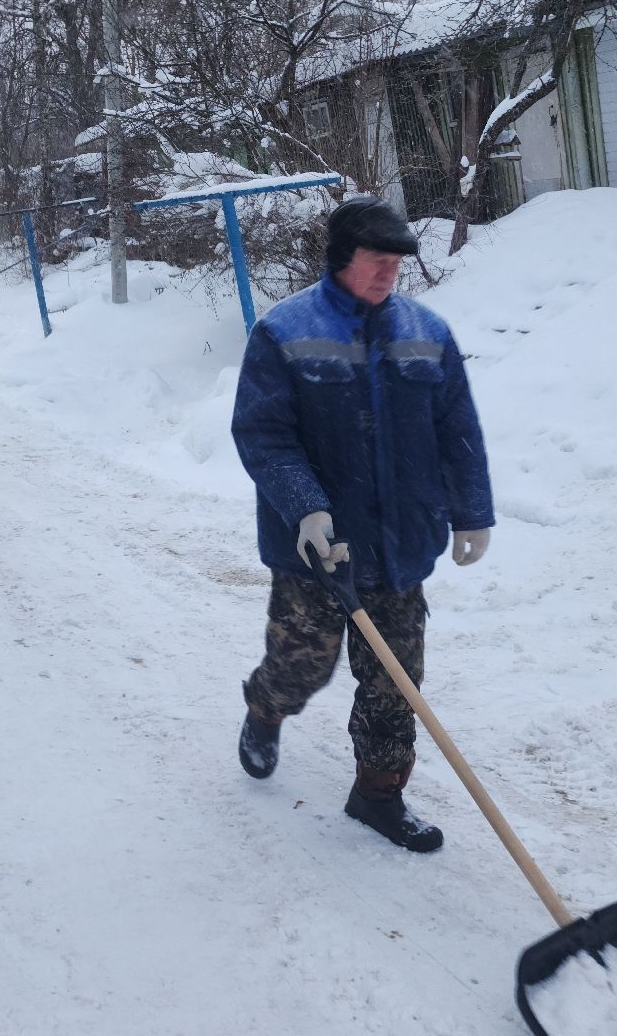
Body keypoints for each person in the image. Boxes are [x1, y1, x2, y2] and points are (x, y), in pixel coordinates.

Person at [229, 195, 494, 853]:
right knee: (301, 665)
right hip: (312, 548)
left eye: (395, 264)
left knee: (393, 683)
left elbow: (456, 429)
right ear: (341, 259)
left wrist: (471, 512)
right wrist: (305, 506)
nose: (388, 275)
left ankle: (377, 796)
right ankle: (265, 708)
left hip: (399, 545)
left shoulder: (426, 332)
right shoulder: (285, 330)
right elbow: (262, 433)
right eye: (376, 261)